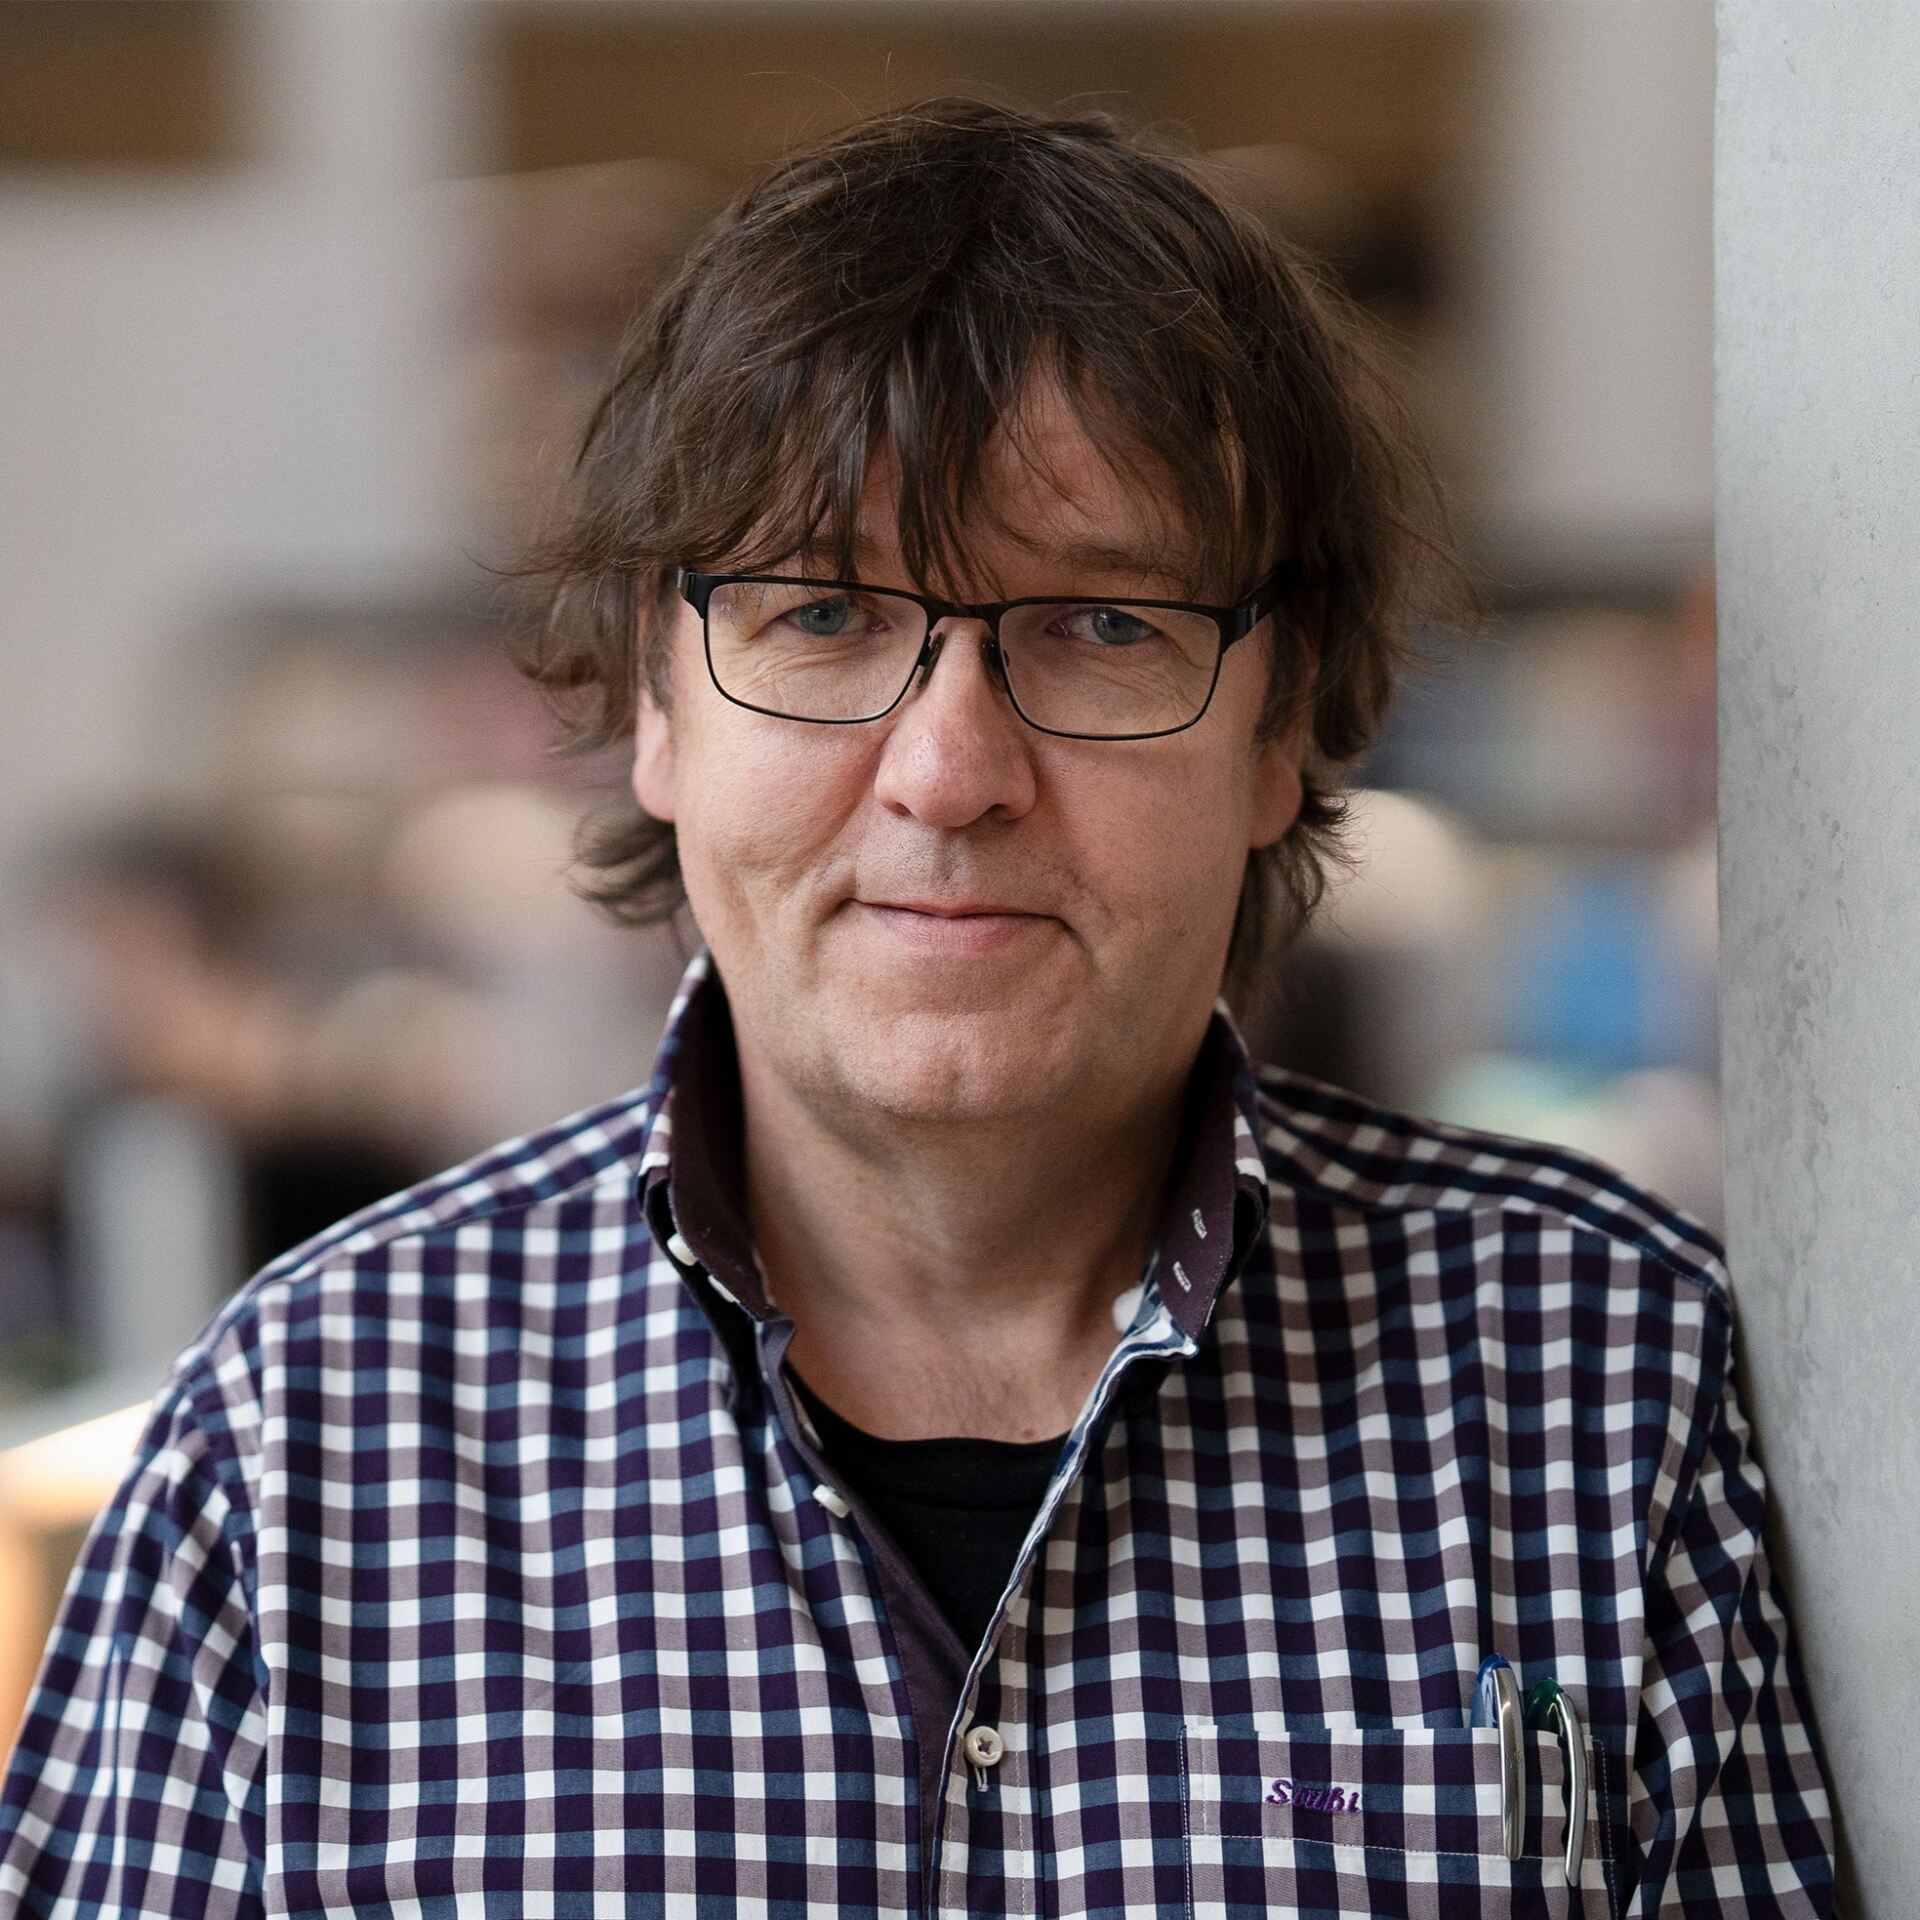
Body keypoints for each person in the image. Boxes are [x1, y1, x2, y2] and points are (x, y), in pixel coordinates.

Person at [0, 100, 1834, 1918]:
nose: (950, 771)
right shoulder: (307, 1435)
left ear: (1283, 727)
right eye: (820, 615)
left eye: (1103, 627)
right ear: (658, 700)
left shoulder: (1602, 1388)